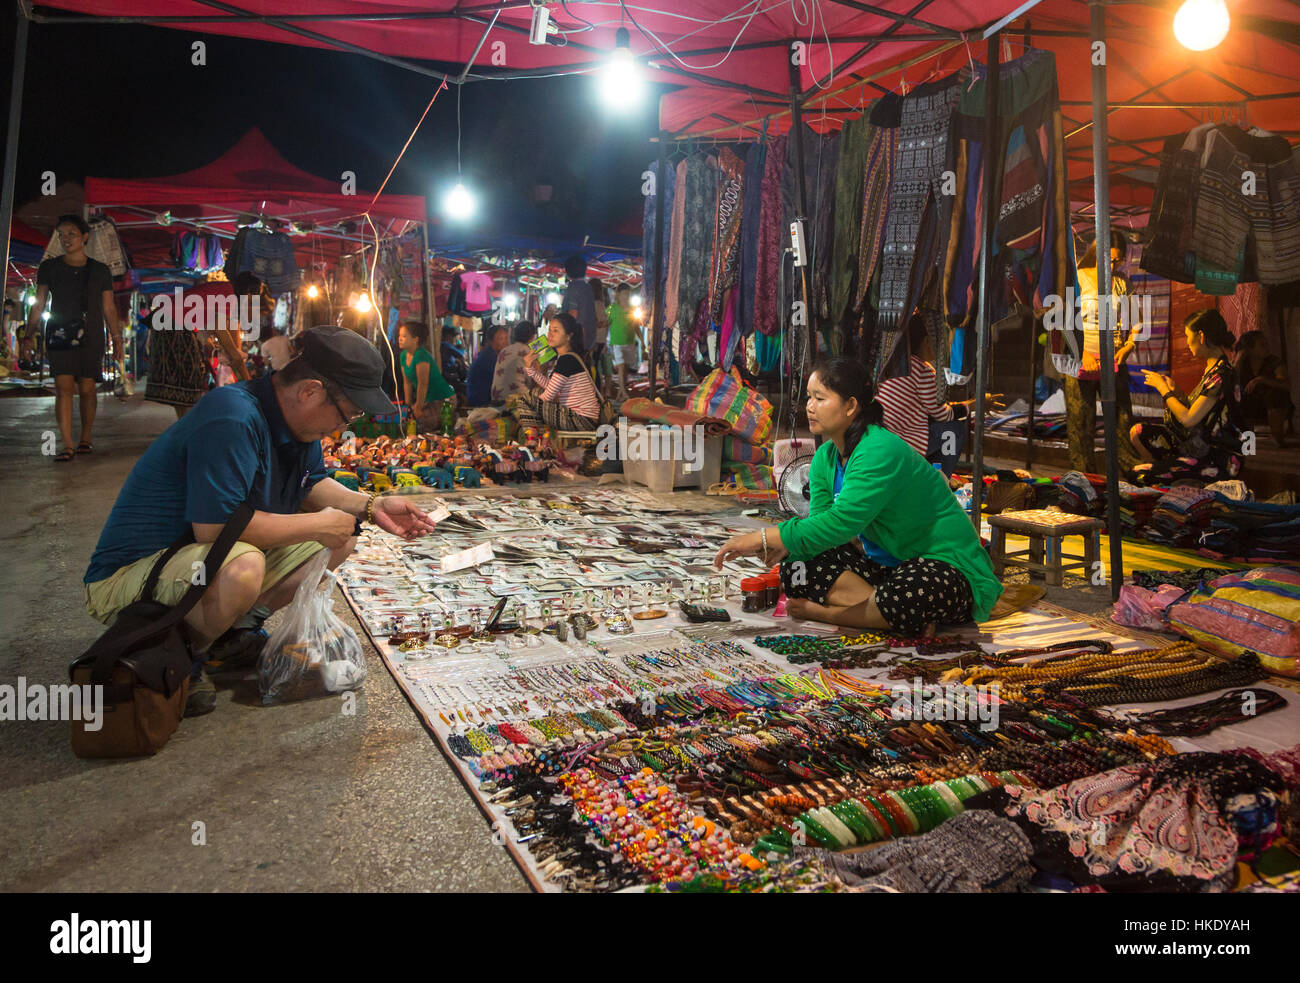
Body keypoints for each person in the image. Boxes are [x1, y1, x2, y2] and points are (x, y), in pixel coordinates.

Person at [84, 326, 440, 716]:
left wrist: (372, 506)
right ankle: (184, 654)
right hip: (131, 575)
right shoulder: (232, 417)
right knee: (243, 568)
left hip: (194, 561)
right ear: (310, 391)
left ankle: (229, 635)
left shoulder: (294, 423)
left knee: (342, 537)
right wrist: (317, 526)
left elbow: (310, 484)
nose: (345, 426)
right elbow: (216, 529)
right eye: (348, 414)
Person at [713, 357, 1001, 635]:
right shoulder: (825, 458)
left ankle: (834, 612)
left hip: (943, 566)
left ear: (851, 405)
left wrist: (762, 538)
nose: (810, 407)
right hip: (887, 568)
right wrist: (791, 545)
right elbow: (823, 527)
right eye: (809, 397)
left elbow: (841, 523)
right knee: (797, 565)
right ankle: (886, 612)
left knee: (914, 592)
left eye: (820, 398)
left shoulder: (878, 450)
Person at [24, 214, 122, 461]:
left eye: (71, 234)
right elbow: (39, 302)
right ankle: (67, 443)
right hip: (58, 330)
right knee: (63, 386)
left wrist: (117, 338)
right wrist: (28, 335)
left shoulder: (100, 270)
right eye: (61, 234)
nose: (65, 239)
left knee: (88, 387)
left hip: (91, 333)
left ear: (84, 238)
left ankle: (85, 438)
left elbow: (109, 307)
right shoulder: (49, 267)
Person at [876, 315, 1000, 475]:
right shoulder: (922, 370)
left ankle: (925, 473)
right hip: (899, 442)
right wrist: (974, 405)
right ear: (928, 341)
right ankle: (941, 480)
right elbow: (944, 415)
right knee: (952, 430)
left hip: (882, 437)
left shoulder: (892, 362)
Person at [1131, 309, 1245, 485]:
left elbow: (1188, 419)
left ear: (1200, 336)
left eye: (1187, 336)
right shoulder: (1213, 370)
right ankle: (1170, 474)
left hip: (1219, 458)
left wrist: (1164, 390)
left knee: (1141, 475)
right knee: (1138, 432)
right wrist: (1175, 391)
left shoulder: (1221, 375)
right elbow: (1197, 410)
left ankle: (1173, 482)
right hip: (1198, 446)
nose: (1187, 342)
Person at [1064, 231, 1142, 474]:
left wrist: (1129, 345)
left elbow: (1136, 321)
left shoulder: (1121, 282)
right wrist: (1082, 353)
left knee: (1122, 420)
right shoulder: (1077, 278)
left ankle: (1129, 480)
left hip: (1114, 361)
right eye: (1109, 259)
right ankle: (1084, 482)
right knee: (1081, 426)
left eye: (1118, 261)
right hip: (1080, 361)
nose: (1112, 265)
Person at [146, 274, 268, 418]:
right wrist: (251, 387)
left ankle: (185, 425)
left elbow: (230, 333)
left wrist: (229, 351)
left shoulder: (227, 292)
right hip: (170, 324)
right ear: (248, 293)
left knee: (189, 380)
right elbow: (228, 343)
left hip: (169, 322)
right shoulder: (228, 296)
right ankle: (186, 427)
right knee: (187, 378)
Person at [516, 312, 606, 435]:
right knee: (534, 394)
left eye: (556, 331)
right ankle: (539, 438)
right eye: (549, 330)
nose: (550, 334)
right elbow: (552, 387)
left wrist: (527, 411)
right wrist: (530, 368)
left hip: (581, 419)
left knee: (525, 400)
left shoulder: (567, 360)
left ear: (568, 336)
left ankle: (534, 440)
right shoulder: (565, 357)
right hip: (581, 417)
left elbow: (549, 395)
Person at [1235, 329, 1293, 447]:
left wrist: (1262, 379)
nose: (1267, 347)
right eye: (1262, 345)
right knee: (1242, 400)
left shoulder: (1274, 362)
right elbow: (1232, 378)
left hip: (1272, 405)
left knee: (1275, 396)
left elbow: (1286, 384)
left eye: (1266, 344)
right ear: (1250, 349)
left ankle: (1278, 440)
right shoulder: (1244, 363)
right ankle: (1248, 445)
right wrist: (1239, 358)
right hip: (1251, 404)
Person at [397, 319, 454, 433]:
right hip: (426, 399)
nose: (400, 339)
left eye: (404, 336)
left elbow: (423, 384)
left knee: (422, 426)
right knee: (407, 423)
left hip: (442, 399)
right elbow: (406, 383)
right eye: (399, 335)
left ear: (415, 339)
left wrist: (418, 407)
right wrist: (407, 407)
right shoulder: (403, 355)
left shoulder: (421, 355)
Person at [607, 282, 645, 402]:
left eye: (628, 294)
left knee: (626, 370)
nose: (626, 297)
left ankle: (620, 393)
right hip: (617, 343)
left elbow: (636, 326)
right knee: (621, 367)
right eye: (624, 294)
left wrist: (642, 341)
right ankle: (624, 392)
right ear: (618, 295)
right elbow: (605, 323)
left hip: (629, 342)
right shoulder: (612, 308)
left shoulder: (633, 310)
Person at [492, 320, 536, 402]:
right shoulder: (530, 353)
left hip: (497, 399)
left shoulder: (504, 350)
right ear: (532, 337)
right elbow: (536, 383)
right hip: (518, 402)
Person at [467, 323, 508, 407]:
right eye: (501, 339)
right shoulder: (489, 357)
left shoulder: (493, 355)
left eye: (506, 338)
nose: (505, 342)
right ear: (490, 341)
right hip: (481, 403)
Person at [561, 256, 597, 352]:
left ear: (568, 272)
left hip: (576, 338)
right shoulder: (588, 288)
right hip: (590, 338)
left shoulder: (572, 288)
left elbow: (573, 314)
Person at [440, 320, 470, 402]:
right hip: (448, 378)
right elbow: (462, 354)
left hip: (448, 375)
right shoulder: (446, 345)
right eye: (453, 337)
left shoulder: (442, 345)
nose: (453, 340)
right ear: (448, 336)